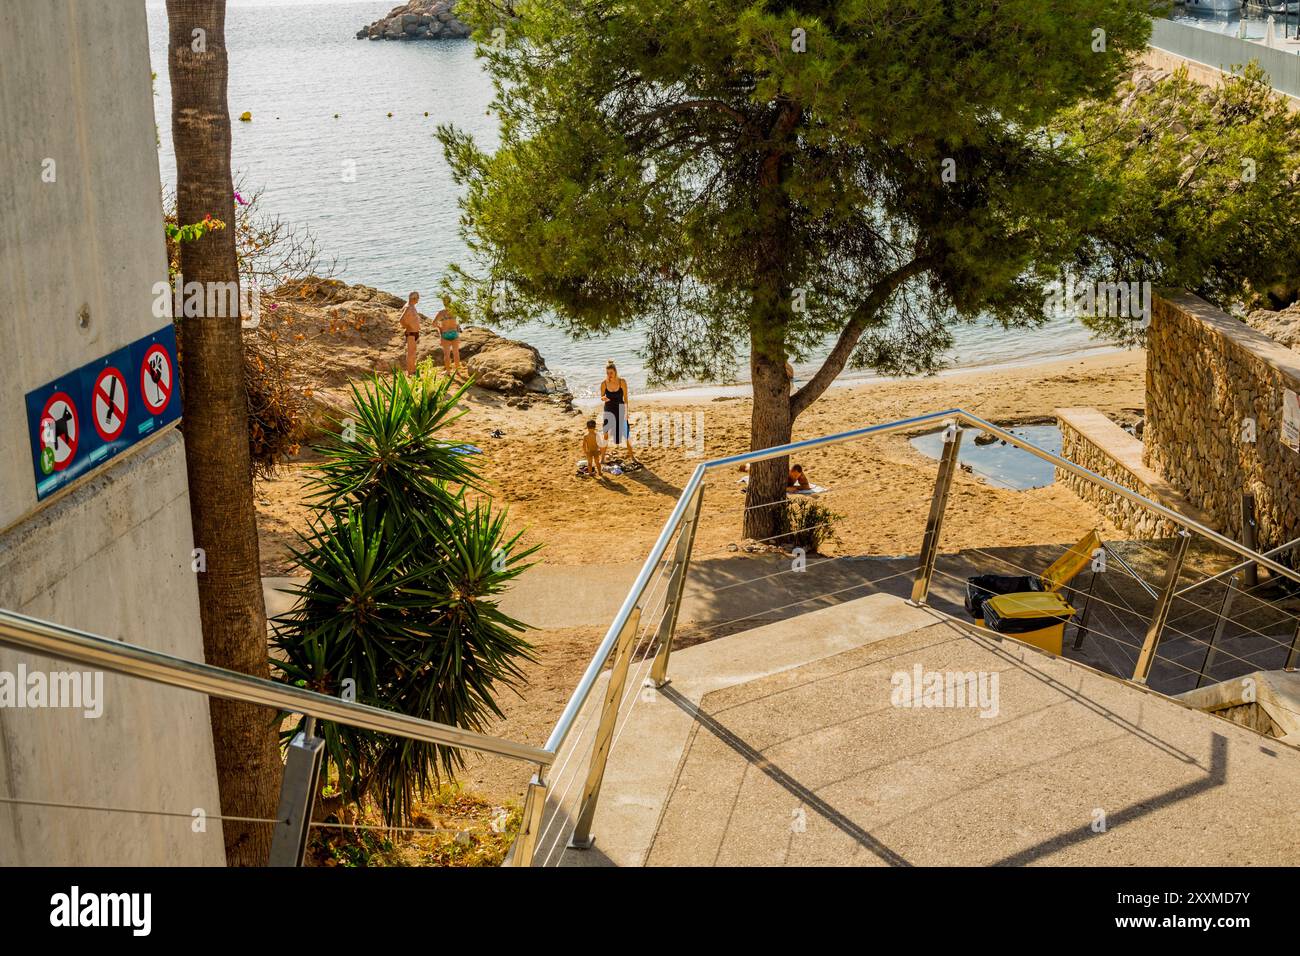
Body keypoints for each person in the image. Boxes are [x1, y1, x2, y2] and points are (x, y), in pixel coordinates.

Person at [599, 361, 637, 463]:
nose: (609, 375)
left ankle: (632, 457)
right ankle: (602, 459)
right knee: (606, 434)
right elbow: (601, 397)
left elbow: (626, 398)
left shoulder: (622, 382)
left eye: (611, 373)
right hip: (609, 410)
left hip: (620, 409)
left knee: (626, 434)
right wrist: (604, 399)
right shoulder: (604, 384)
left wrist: (626, 412)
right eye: (607, 373)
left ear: (615, 372)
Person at [436, 295, 462, 376]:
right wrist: (457, 327)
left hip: (445, 334)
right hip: (454, 333)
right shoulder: (455, 311)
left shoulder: (441, 313)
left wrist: (440, 328)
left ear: (443, 302)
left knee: (446, 354)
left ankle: (448, 371)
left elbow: (433, 323)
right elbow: (459, 320)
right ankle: (457, 370)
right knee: (456, 353)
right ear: (450, 301)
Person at [399, 291, 421, 375]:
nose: (418, 300)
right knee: (411, 353)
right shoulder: (408, 307)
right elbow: (401, 319)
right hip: (411, 332)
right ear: (413, 299)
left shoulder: (411, 306)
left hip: (414, 332)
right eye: (418, 298)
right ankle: (410, 372)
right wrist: (407, 326)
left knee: (413, 352)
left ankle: (413, 369)